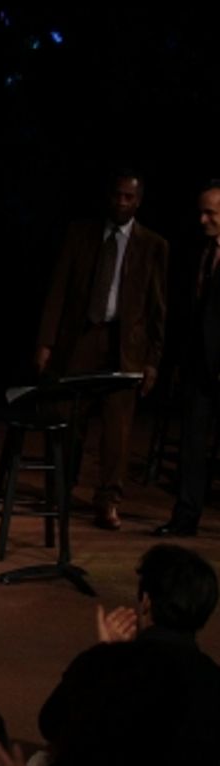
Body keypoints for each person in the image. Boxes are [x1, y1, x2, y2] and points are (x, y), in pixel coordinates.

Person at [0, 545, 220, 766]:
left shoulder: (105, 663)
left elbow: (51, 723)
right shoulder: (213, 678)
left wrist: (106, 652)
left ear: (146, 602)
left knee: (35, 763)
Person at [35, 171, 168, 530]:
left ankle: (108, 500)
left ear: (138, 201)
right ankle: (62, 487)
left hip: (124, 346)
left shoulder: (152, 245)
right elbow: (59, 288)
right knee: (68, 417)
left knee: (118, 429)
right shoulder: (82, 233)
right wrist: (46, 341)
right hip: (82, 338)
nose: (121, 203)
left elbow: (158, 309)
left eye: (129, 197)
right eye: (117, 195)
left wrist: (153, 361)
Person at [155, 183, 220, 537]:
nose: (202, 219)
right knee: (191, 446)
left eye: (210, 213)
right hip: (198, 365)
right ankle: (185, 516)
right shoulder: (199, 251)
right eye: (201, 211)